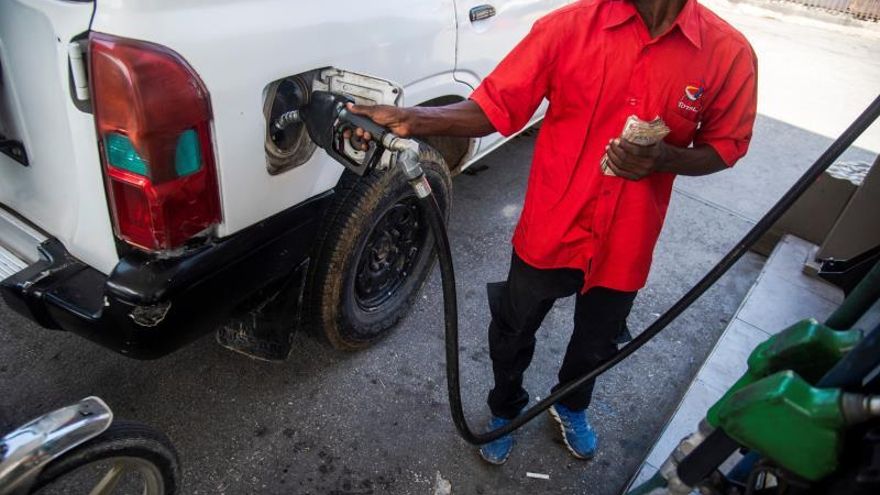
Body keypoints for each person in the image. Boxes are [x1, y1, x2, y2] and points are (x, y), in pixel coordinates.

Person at [346, 0, 758, 464]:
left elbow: (726, 144)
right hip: (553, 225)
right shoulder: (567, 28)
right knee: (513, 328)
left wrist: (666, 159)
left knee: (597, 341)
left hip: (627, 239)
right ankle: (506, 410)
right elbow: (497, 106)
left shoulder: (727, 52)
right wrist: (415, 120)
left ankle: (571, 404)